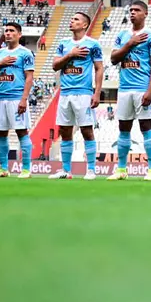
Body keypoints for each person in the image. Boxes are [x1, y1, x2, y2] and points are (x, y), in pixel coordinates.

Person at [106, 1, 151, 182]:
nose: (132, 13)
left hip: (142, 88)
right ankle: (121, 169)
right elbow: (113, 59)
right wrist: (129, 44)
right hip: (124, 89)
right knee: (123, 128)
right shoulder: (122, 35)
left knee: (146, 127)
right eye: (130, 10)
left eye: (137, 10)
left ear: (145, 13)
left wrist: (150, 91)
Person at [48, 13, 103, 180]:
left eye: (76, 19)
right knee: (65, 130)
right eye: (71, 19)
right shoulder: (63, 43)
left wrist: (97, 92)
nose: (71, 21)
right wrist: (70, 55)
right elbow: (55, 65)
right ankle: (66, 170)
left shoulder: (93, 44)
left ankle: (91, 170)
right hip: (65, 92)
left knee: (86, 130)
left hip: (83, 93)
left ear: (84, 25)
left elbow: (99, 68)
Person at [0, 22, 36, 178]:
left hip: (16, 97)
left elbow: (29, 77)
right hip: (1, 97)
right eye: (6, 30)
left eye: (11, 31)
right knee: (1, 133)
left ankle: (26, 169)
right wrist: (0, 64)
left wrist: (24, 99)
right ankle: (3, 169)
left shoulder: (25, 53)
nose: (8, 33)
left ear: (19, 34)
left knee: (22, 131)